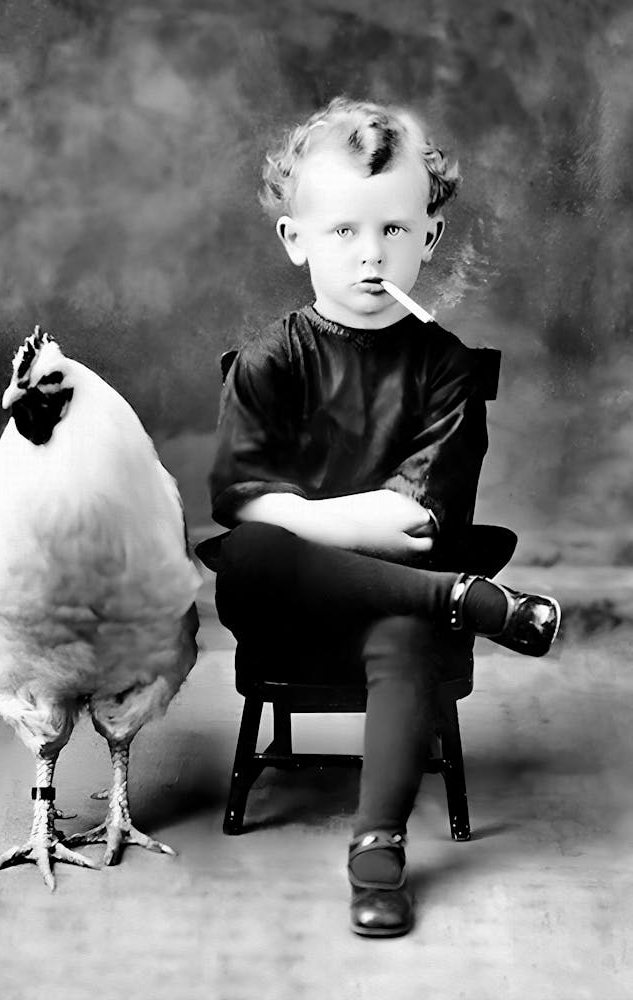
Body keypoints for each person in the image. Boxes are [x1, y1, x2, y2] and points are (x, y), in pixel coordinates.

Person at [203, 97, 561, 938]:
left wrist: (301, 514)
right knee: (249, 552)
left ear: (429, 238)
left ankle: (378, 848)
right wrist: (330, 515)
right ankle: (458, 599)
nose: (372, 256)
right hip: (287, 603)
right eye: (344, 233)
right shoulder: (269, 359)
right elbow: (240, 502)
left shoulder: (446, 367)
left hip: (397, 600)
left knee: (400, 634)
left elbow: (420, 523)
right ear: (296, 240)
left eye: (396, 231)